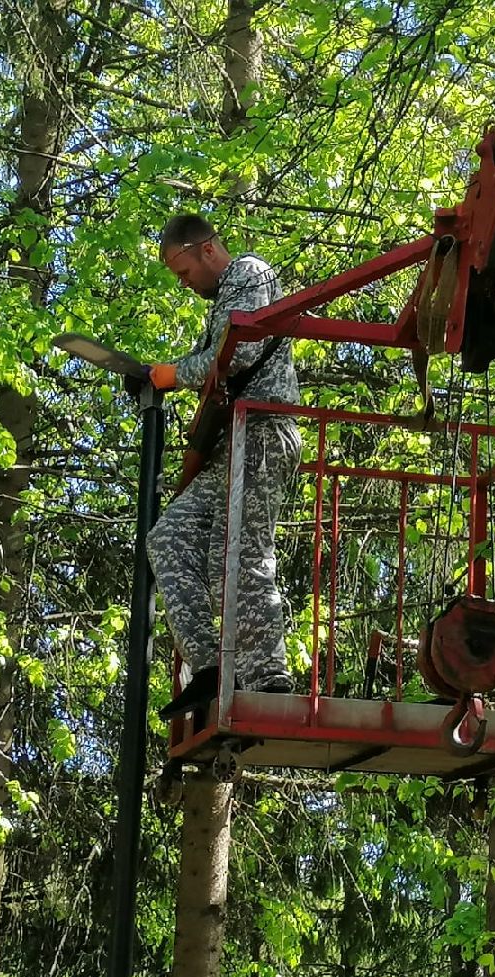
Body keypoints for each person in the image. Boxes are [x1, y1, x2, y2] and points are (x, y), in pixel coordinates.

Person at [145, 214, 302, 718]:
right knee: (167, 537)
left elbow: (236, 352)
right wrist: (161, 376)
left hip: (260, 433)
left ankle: (268, 675)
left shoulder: (249, 275)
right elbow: (209, 361)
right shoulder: (220, 305)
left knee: (239, 553)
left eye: (183, 271)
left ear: (206, 249)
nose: (184, 284)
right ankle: (211, 668)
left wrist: (171, 375)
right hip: (229, 446)